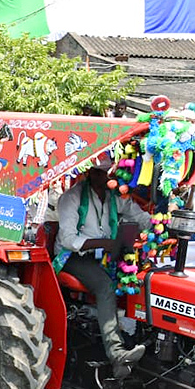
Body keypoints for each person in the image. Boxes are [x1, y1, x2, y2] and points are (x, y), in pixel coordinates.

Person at [53, 155, 152, 376]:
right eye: (102, 173)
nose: (107, 177)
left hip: (105, 254)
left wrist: (159, 224)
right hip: (73, 257)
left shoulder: (113, 197)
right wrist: (104, 243)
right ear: (91, 173)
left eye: (110, 173)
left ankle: (137, 338)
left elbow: (138, 215)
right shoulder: (73, 197)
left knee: (141, 278)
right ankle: (116, 353)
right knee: (106, 287)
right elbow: (69, 240)